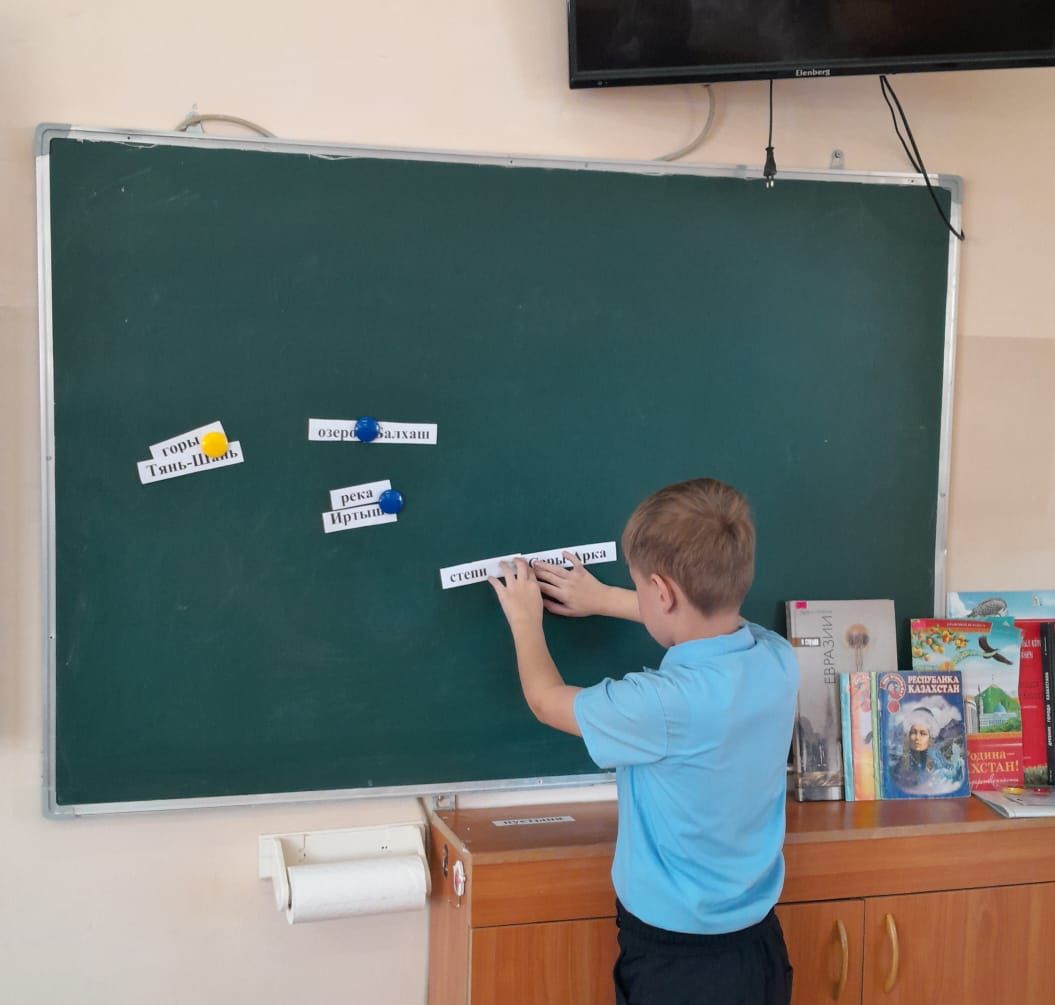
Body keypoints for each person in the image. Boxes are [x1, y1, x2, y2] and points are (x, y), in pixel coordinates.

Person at [488, 477, 799, 1005]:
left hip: (677, 965)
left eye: (638, 587)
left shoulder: (661, 703)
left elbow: (546, 700)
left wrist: (524, 618)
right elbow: (721, 619)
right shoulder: (777, 658)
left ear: (661, 592)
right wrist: (604, 598)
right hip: (759, 947)